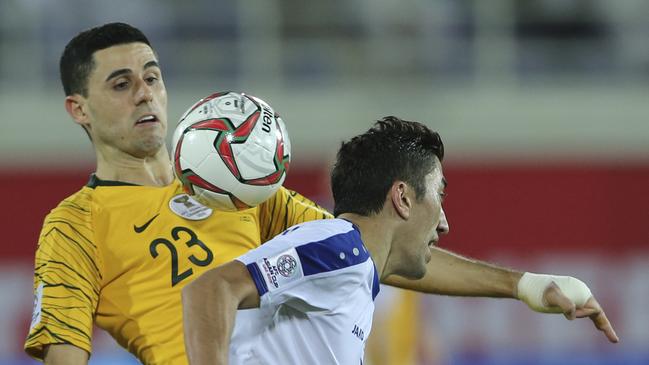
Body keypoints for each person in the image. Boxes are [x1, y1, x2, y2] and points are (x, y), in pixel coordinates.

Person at [25, 22, 617, 365]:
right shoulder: (75, 226)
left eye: (152, 77)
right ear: (78, 108)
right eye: (121, 83)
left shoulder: (240, 188)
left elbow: (373, 251)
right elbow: (66, 353)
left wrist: (525, 285)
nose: (145, 95)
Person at [181, 117, 617, 365]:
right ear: (403, 198)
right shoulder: (338, 248)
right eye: (439, 195)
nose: (444, 222)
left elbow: (415, 267)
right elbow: (210, 289)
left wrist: (526, 286)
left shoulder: (351, 262)